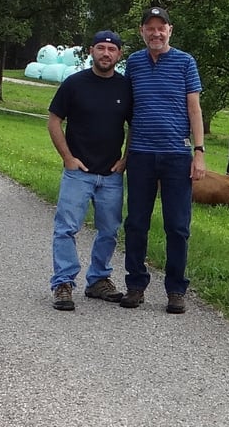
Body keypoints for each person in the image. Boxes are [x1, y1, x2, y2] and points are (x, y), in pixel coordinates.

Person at [121, 6, 206, 313]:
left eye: (161, 27)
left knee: (178, 226)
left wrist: (199, 152)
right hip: (141, 154)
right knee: (135, 223)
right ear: (142, 31)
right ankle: (135, 285)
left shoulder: (185, 62)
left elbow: (194, 108)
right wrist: (124, 154)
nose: (156, 33)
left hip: (176, 155)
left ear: (170, 30)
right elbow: (129, 111)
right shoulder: (134, 63)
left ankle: (176, 290)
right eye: (150, 28)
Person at [48, 30, 133, 311]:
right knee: (66, 229)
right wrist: (68, 158)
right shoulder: (74, 84)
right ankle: (63, 283)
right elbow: (54, 121)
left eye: (111, 49)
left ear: (119, 54)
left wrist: (126, 159)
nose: (106, 53)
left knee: (109, 231)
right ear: (91, 51)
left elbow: (134, 125)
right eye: (100, 48)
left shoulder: (125, 87)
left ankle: (98, 279)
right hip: (78, 173)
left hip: (111, 175)